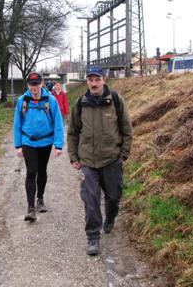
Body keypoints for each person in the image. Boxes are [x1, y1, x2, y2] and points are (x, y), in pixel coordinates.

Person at [67, 66, 133, 256]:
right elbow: (72, 133)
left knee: (113, 197)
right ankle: (93, 237)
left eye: (97, 79)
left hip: (112, 160)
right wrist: (74, 157)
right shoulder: (81, 104)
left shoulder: (116, 100)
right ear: (87, 81)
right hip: (88, 161)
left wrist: (124, 156)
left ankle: (110, 217)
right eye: (90, 80)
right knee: (91, 200)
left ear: (104, 79)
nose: (94, 84)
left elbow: (127, 130)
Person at [13, 72, 65, 222]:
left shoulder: (51, 100)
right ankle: (31, 209)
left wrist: (58, 144)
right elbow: (17, 123)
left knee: (42, 170)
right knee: (31, 172)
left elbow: (58, 123)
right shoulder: (22, 101)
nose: (34, 87)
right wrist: (18, 145)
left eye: (36, 84)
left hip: (46, 142)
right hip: (28, 142)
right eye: (31, 84)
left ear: (41, 83)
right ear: (28, 85)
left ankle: (40, 199)